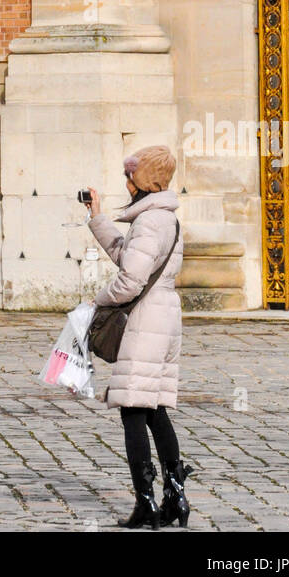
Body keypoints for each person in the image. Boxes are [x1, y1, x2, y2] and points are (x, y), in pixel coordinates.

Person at [86, 145, 192, 530]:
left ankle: (146, 502)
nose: (125, 182)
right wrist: (97, 219)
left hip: (147, 321)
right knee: (153, 408)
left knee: (133, 408)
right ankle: (175, 495)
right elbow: (128, 258)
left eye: (128, 175)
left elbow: (130, 280)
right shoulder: (164, 219)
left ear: (140, 180)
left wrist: (96, 302)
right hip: (163, 318)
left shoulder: (150, 223)